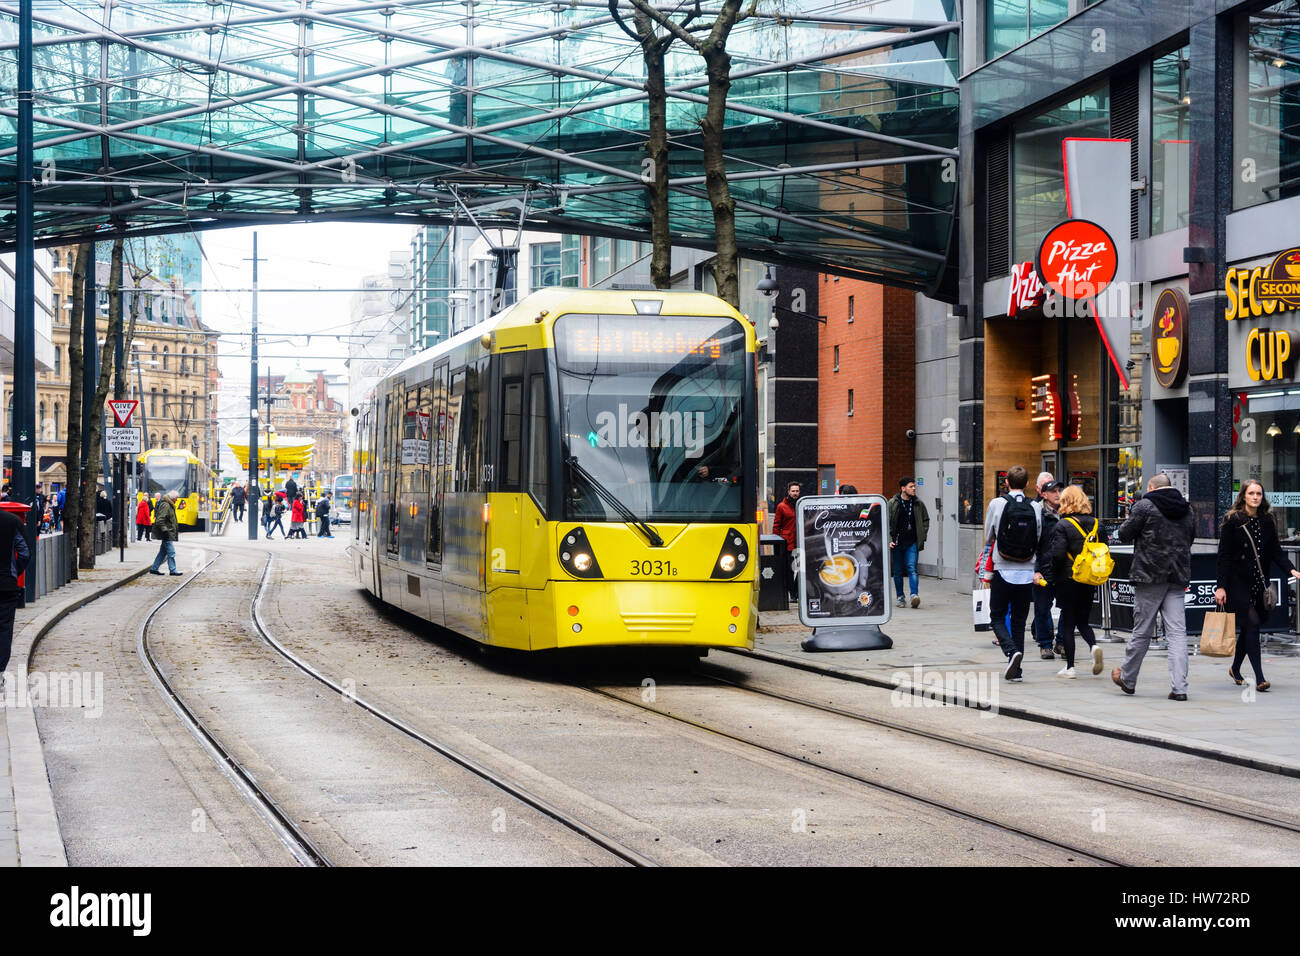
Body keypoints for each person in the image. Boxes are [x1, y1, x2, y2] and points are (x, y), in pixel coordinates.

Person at [1114, 472, 1197, 699]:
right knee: (1177, 633)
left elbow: (1124, 534)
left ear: (1151, 487)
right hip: (1177, 576)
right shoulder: (1187, 508)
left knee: (1142, 630)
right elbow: (1190, 538)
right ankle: (1179, 688)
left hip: (1149, 576)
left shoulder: (1145, 506)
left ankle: (1128, 679)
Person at [1214, 480, 1300, 694]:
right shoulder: (1232, 520)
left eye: (1259, 493)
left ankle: (1235, 668)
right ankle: (1260, 678)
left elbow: (1276, 551)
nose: (1255, 497)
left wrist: (1291, 570)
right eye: (1251, 493)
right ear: (1243, 496)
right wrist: (1221, 587)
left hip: (1260, 582)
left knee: (1250, 626)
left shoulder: (1268, 520)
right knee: (1251, 623)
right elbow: (1223, 556)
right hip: (1237, 582)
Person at [983, 465, 1042, 681]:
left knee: (997, 616)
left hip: (1003, 569)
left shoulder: (997, 504)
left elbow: (989, 535)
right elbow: (1038, 534)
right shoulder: (1035, 506)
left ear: (1006, 482)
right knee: (1019, 620)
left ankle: (1010, 651)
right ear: (1027, 484)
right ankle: (1016, 670)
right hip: (1026, 571)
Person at [1042, 485, 1107, 678]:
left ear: (1066, 502)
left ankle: (1070, 667)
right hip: (1089, 579)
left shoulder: (1063, 525)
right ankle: (1094, 646)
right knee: (1083, 621)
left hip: (1068, 579)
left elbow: (1058, 555)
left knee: (1068, 623)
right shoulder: (1097, 524)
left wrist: (1051, 577)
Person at [0, 504, 31, 691]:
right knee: (4, 629)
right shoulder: (12, 521)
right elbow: (25, 553)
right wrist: (14, 573)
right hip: (6, 586)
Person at [1032, 477, 1064, 660]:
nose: (1058, 494)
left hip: (1063, 571)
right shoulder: (1039, 515)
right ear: (1044, 495)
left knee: (1067, 608)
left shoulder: (1067, 514)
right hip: (1043, 569)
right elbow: (1033, 544)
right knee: (1042, 608)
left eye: (1060, 491)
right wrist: (1035, 570)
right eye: (1053, 491)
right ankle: (1045, 644)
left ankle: (1061, 642)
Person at [888, 477, 929, 609]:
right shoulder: (893, 503)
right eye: (911, 486)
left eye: (914, 486)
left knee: (912, 568)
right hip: (897, 542)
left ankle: (914, 596)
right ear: (903, 488)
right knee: (898, 572)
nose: (914, 489)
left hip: (912, 542)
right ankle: (900, 597)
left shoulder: (918, 503)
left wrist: (922, 535)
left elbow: (925, 520)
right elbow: (886, 521)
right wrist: (889, 540)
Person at [772, 481, 801, 602]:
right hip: (787, 542)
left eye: (797, 491)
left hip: (799, 541)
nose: (795, 493)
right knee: (789, 570)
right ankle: (792, 594)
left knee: (803, 568)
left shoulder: (801, 504)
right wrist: (775, 541)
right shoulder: (781, 506)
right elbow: (776, 525)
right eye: (793, 491)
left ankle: (797, 591)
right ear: (788, 492)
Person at [148, 491, 182, 576]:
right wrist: (165, 530)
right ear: (172, 498)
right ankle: (173, 570)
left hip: (168, 532)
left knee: (163, 552)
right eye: (176, 498)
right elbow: (160, 520)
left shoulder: (168, 505)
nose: (177, 500)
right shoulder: (166, 505)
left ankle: (154, 568)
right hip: (167, 533)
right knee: (171, 552)